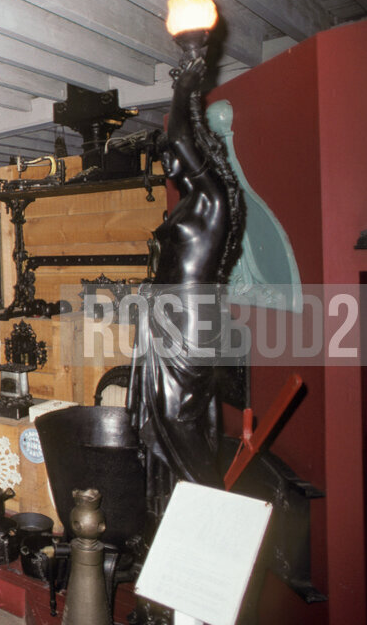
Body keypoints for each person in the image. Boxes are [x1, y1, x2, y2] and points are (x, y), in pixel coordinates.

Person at [129, 52, 244, 514]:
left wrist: (182, 92)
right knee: (171, 422)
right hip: (171, 317)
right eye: (163, 157)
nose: (168, 163)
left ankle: (212, 517)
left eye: (172, 155)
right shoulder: (188, 204)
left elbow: (180, 135)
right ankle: (178, 512)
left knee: (177, 420)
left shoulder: (211, 200)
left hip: (189, 321)